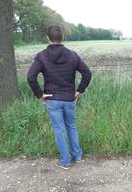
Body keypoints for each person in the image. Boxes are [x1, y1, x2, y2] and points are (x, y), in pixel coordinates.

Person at [27, 25, 92, 170]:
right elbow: (87, 74)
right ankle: (78, 156)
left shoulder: (41, 56)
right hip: (69, 99)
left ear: (48, 38)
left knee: (59, 129)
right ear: (63, 37)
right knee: (71, 126)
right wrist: (79, 91)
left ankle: (65, 161)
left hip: (53, 99)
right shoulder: (73, 55)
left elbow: (31, 77)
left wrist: (40, 95)